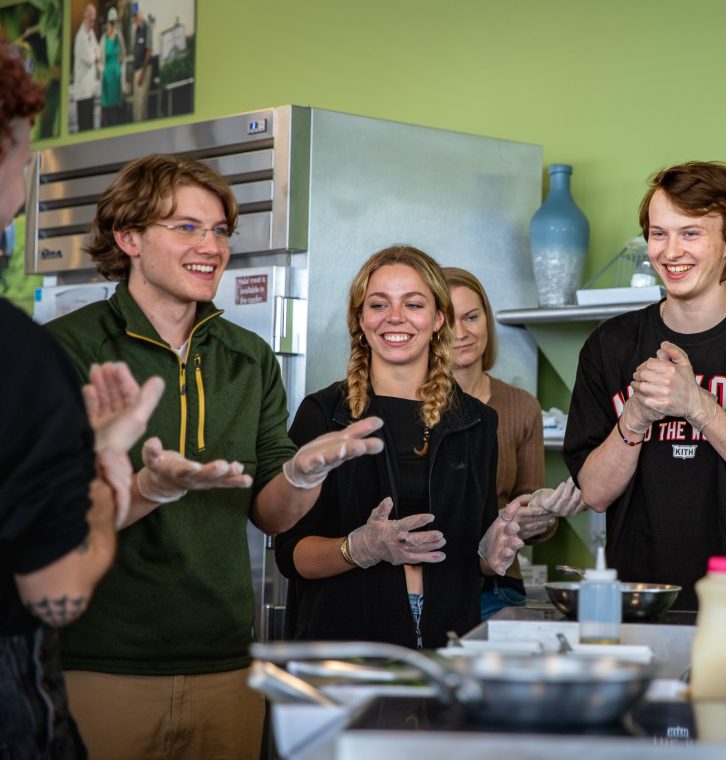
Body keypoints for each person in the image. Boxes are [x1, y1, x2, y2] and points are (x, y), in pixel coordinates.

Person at [46, 153, 384, 759]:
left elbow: (271, 516)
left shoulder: (248, 356)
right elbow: (54, 520)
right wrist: (149, 486)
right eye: (187, 227)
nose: (212, 246)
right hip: (100, 664)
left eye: (221, 229)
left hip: (229, 663)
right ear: (128, 238)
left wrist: (304, 473)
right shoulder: (67, 351)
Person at [563, 161, 726, 621]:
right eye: (658, 233)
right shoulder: (611, 345)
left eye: (691, 233)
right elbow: (596, 493)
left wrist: (696, 405)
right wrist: (635, 418)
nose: (671, 251)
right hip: (637, 603)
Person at [0, 45, 161, 760]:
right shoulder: (21, 354)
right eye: (22, 157)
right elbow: (54, 590)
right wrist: (104, 473)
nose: (25, 188)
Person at [275, 247, 525, 649]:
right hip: (348, 647)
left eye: (413, 304)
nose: (395, 317)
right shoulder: (325, 415)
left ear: (438, 318)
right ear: (361, 319)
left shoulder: (475, 421)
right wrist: (358, 548)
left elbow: (472, 550)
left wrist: (489, 553)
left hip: (449, 640)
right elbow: (290, 555)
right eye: (379, 304)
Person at [443, 267, 585, 619]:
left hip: (499, 588)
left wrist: (542, 513)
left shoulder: (521, 405)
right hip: (430, 584)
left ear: (487, 322)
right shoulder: (408, 405)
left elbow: (528, 498)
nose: (461, 333)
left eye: (472, 317)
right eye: (447, 321)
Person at [71, 3, 99, 131]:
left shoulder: (91, 33)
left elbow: (98, 51)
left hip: (90, 90)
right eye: (92, 19)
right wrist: (94, 54)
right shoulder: (81, 37)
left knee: (91, 126)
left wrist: (94, 52)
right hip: (83, 93)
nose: (93, 22)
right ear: (86, 18)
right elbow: (90, 59)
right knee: (85, 127)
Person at [99, 7, 123, 127]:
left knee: (116, 104)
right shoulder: (103, 39)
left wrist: (119, 66)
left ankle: (116, 124)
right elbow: (100, 57)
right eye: (110, 23)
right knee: (107, 104)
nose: (112, 26)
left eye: (114, 23)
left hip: (116, 72)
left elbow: (123, 53)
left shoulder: (119, 37)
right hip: (107, 73)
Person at [129, 2, 151, 123]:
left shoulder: (147, 27)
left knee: (141, 105)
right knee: (136, 106)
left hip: (144, 71)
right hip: (136, 71)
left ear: (140, 14)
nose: (135, 19)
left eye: (136, 16)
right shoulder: (136, 30)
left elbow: (149, 51)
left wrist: (142, 73)